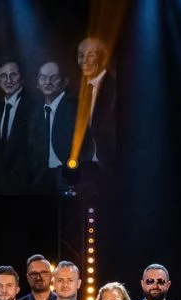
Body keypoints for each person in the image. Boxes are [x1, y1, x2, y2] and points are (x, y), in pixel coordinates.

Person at [0, 57, 45, 193]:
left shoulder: (35, 106)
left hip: (26, 189)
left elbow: (39, 153)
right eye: (3, 76)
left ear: (22, 78)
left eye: (13, 75)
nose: (8, 80)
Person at [75, 37, 116, 177]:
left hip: (111, 168)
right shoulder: (76, 90)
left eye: (91, 55)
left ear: (102, 58)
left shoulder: (116, 88)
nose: (84, 61)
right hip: (83, 168)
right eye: (81, 55)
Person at [36, 60, 79, 191]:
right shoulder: (35, 111)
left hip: (68, 176)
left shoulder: (74, 108)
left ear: (65, 82)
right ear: (37, 83)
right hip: (41, 177)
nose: (47, 82)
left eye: (54, 78)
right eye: (43, 78)